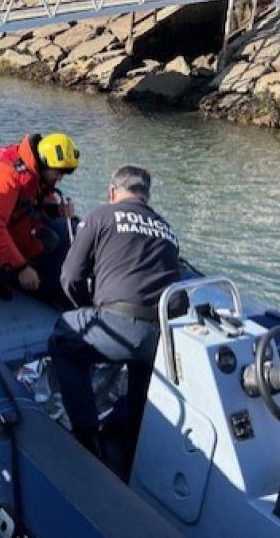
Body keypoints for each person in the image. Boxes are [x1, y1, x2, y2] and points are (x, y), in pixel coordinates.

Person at [49, 165, 180, 467]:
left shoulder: (101, 215)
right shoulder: (167, 229)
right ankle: (133, 454)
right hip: (160, 336)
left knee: (63, 343)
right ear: (147, 196)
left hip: (118, 324)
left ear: (112, 192)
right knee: (140, 383)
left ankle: (87, 439)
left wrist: (86, 309)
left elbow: (70, 277)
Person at [0, 132, 79, 304]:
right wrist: (22, 268)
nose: (60, 178)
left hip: (9, 221)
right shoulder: (7, 177)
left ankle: (2, 276)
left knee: (49, 241)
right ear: (44, 162)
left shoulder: (34, 173)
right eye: (58, 173)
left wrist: (57, 210)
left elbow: (34, 204)